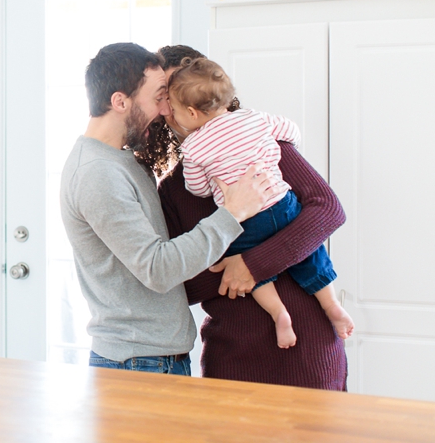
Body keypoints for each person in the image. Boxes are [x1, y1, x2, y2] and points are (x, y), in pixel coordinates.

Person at [59, 42, 275, 376]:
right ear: (120, 101)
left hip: (152, 358)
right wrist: (232, 213)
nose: (165, 109)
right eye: (159, 96)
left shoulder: (124, 161)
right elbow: (158, 269)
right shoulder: (97, 174)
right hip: (137, 363)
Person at [139, 45, 347, 390]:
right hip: (230, 355)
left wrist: (252, 264)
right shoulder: (175, 189)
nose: (169, 105)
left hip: (307, 348)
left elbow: (326, 209)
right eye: (164, 95)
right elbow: (181, 284)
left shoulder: (261, 145)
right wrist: (231, 265)